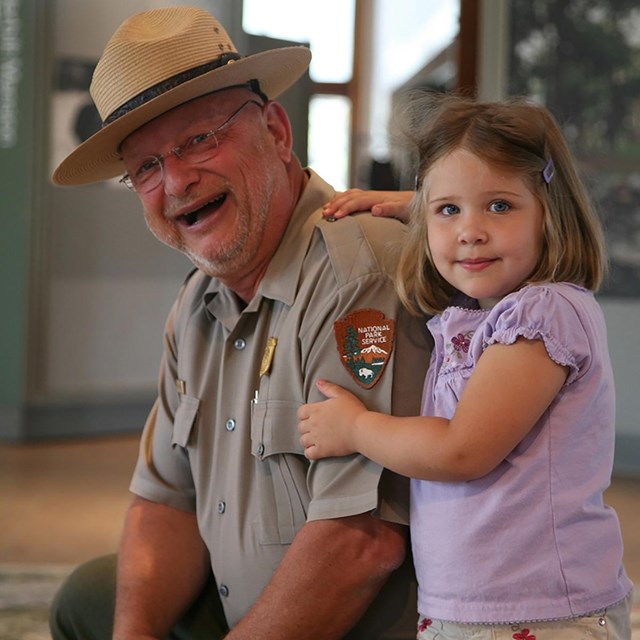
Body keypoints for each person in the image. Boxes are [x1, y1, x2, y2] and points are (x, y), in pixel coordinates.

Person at [48, 6, 432, 640]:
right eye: (145, 167)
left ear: (277, 131)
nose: (176, 181)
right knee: (93, 600)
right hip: (249, 616)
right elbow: (165, 501)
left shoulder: (356, 275)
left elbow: (362, 544)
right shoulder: (198, 304)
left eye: (199, 139)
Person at [298, 93, 634, 639]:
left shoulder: (543, 313)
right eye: (448, 210)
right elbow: (473, 218)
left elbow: (463, 450)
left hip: (543, 612)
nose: (470, 231)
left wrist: (357, 428)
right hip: (472, 609)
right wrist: (426, 204)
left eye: (499, 206)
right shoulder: (477, 317)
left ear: (552, 213)